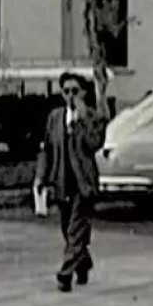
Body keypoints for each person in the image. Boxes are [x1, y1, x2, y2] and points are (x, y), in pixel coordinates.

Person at [35, 72, 106, 293]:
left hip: (83, 184)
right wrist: (40, 177)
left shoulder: (93, 117)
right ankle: (82, 263)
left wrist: (83, 120)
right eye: (66, 91)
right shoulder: (55, 118)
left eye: (75, 91)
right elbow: (47, 150)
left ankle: (65, 274)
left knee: (76, 229)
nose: (70, 96)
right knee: (68, 230)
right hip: (61, 181)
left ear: (84, 92)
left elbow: (94, 144)